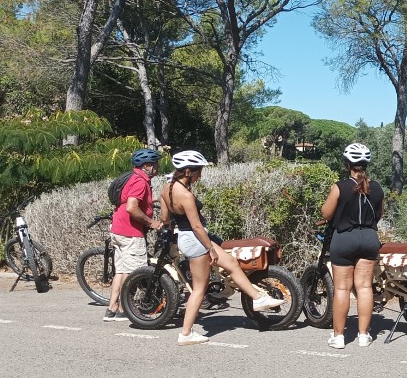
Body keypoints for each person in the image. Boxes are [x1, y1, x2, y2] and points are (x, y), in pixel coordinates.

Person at [160, 150, 283, 345]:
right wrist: (210, 248)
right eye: (199, 171)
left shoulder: (167, 187)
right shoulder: (185, 195)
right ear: (189, 171)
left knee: (232, 263)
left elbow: (165, 219)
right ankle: (185, 333)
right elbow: (197, 226)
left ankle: (257, 298)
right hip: (196, 239)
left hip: (186, 237)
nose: (201, 175)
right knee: (199, 289)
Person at [319, 143, 385, 349]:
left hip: (344, 239)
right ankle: (364, 335)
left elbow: (326, 214)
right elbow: (379, 215)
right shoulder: (377, 188)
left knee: (342, 288)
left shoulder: (339, 187)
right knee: (365, 287)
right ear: (366, 164)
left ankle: (339, 337)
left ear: (347, 164)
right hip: (369, 238)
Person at [104, 148, 164, 322]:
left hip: (118, 229)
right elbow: (132, 207)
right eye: (155, 164)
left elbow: (133, 199)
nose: (157, 167)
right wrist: (152, 223)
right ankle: (124, 309)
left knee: (121, 271)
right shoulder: (140, 181)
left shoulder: (133, 177)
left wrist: (158, 199)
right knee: (133, 273)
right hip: (130, 232)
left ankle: (111, 309)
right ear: (147, 166)